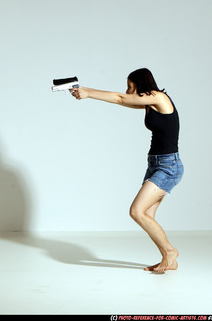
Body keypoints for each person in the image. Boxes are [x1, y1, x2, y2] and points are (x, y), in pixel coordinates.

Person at [70, 68, 184, 272]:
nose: (127, 90)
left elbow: (121, 98)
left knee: (136, 211)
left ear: (141, 85)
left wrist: (87, 92)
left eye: (131, 86)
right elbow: (119, 100)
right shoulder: (149, 104)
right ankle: (170, 260)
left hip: (169, 166)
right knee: (147, 214)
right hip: (156, 164)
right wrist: (87, 93)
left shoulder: (159, 97)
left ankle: (170, 252)